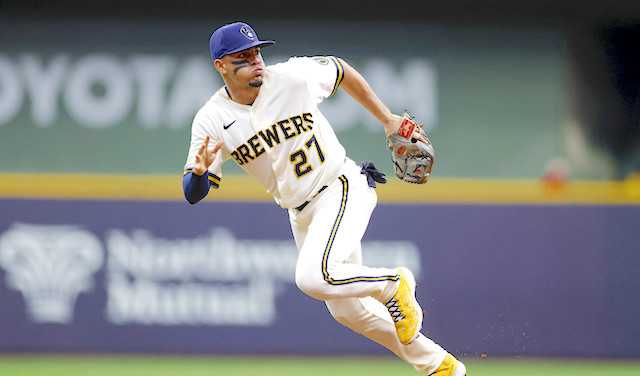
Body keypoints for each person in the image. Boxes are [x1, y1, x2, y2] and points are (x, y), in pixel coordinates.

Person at [182, 21, 466, 376]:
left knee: (313, 278)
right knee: (348, 311)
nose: (256, 60)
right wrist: (197, 174)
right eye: (242, 56)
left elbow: (339, 68)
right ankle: (443, 367)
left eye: (257, 52)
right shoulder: (211, 120)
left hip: (340, 186)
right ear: (220, 66)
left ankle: (394, 283)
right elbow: (193, 194)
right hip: (301, 213)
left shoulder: (290, 77)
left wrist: (387, 118)